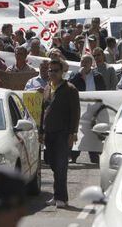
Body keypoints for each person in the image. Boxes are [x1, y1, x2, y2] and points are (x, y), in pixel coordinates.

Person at [39, 59, 80, 207]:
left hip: (63, 133)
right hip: (49, 133)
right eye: (51, 70)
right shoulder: (47, 88)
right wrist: (41, 131)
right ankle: (57, 196)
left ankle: (61, 198)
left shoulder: (70, 89)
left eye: (56, 70)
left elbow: (75, 113)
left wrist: (73, 133)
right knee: (52, 163)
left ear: (62, 72)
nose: (53, 73)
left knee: (61, 165)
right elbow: (43, 111)